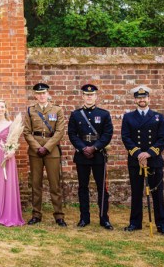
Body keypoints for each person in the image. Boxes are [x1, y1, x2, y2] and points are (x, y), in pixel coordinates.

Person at [121, 85, 164, 237]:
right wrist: (138, 154)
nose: (142, 100)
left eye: (144, 97)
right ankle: (135, 223)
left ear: (149, 99)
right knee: (136, 193)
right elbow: (126, 137)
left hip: (154, 160)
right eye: (139, 98)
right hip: (135, 160)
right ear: (135, 100)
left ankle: (162, 225)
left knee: (157, 194)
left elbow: (162, 139)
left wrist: (148, 154)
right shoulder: (128, 117)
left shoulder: (158, 117)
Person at [67, 84, 114, 230]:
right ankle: (84, 218)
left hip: (98, 155)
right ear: (82, 96)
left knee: (102, 188)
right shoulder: (75, 114)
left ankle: (103, 218)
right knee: (83, 187)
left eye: (92, 95)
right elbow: (72, 134)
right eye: (86, 95)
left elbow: (108, 134)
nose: (89, 97)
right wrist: (83, 148)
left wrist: (95, 147)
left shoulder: (104, 114)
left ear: (95, 96)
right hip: (82, 156)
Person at [22, 83, 67, 227]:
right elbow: (27, 132)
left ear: (48, 94)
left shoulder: (57, 110)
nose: (42, 96)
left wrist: (46, 147)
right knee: (36, 184)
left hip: (51, 151)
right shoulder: (30, 111)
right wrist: (37, 147)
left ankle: (59, 215)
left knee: (55, 184)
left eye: (44, 93)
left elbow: (60, 131)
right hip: (35, 152)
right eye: (39, 93)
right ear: (35, 95)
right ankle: (36, 214)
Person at [0, 99, 25, 226]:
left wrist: (12, 152)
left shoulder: (11, 124)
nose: (0, 109)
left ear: (6, 109)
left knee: (7, 184)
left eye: (2, 107)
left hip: (7, 156)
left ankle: (8, 214)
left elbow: (14, 140)